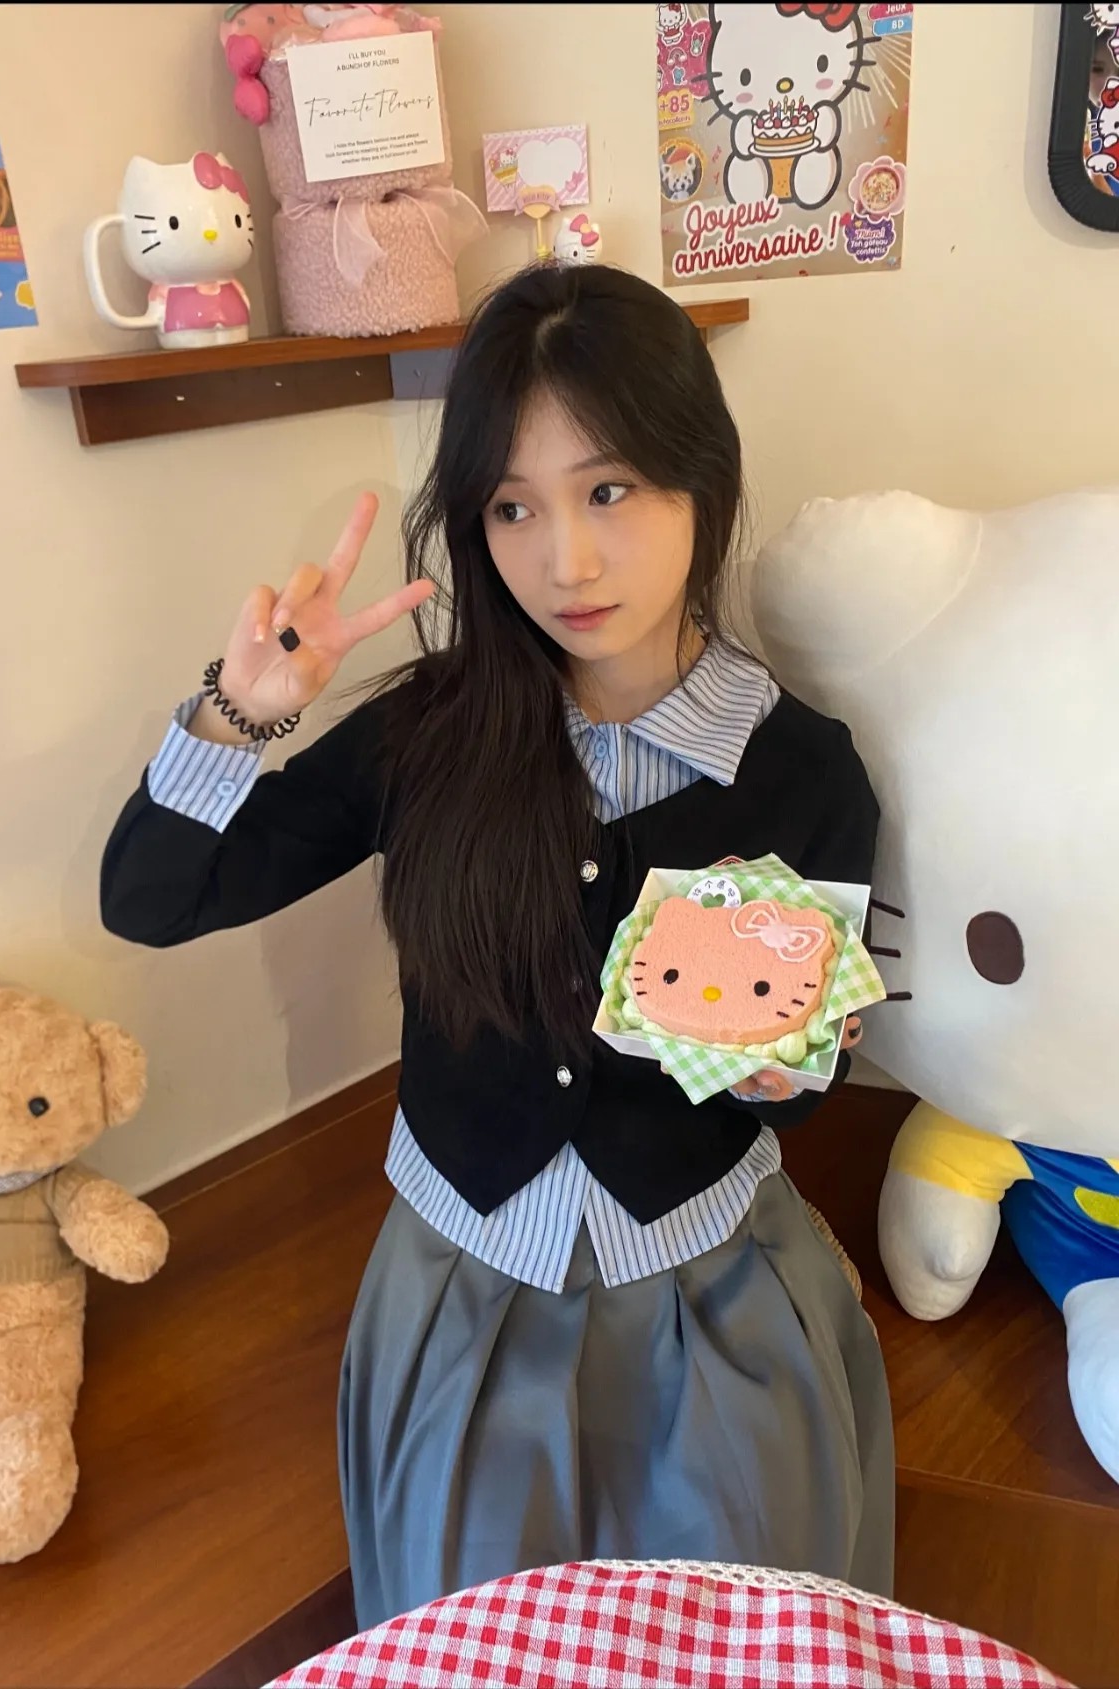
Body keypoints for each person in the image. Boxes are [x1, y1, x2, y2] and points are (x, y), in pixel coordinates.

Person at [100, 264, 893, 1630]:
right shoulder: (428, 732)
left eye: (609, 489)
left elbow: (797, 1077)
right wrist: (245, 707)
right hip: (458, 1290)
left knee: (741, 1635)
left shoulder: (803, 768)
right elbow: (153, 897)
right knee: (472, 1638)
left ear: (701, 477)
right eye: (512, 507)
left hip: (709, 1299)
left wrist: (793, 1065)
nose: (565, 561)